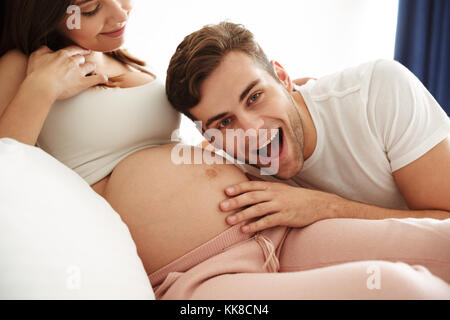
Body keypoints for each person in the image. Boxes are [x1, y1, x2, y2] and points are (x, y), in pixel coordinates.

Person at [0, 1, 448, 299]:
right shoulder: (24, 66)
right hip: (203, 279)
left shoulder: (121, 56)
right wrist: (41, 87)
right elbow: (8, 169)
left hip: (278, 231)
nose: (117, 12)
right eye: (92, 8)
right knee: (399, 288)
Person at [165, 21, 450, 234]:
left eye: (254, 97)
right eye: (225, 122)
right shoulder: (226, 166)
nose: (251, 130)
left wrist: (328, 209)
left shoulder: (378, 91)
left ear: (283, 77)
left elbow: (447, 221)